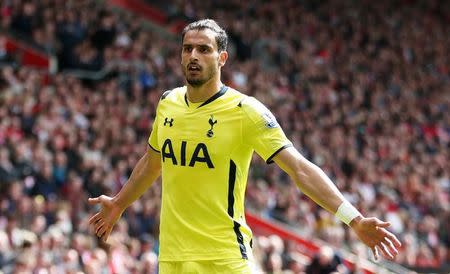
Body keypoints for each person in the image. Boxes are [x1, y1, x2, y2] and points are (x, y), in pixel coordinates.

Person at [88, 19, 401, 273]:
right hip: (173, 258)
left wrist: (354, 219)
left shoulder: (245, 111)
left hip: (225, 258)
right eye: (187, 49)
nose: (193, 56)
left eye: (203, 49)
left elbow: (299, 169)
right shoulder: (168, 103)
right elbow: (152, 162)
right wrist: (119, 203)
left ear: (221, 58)